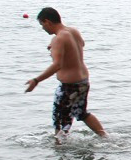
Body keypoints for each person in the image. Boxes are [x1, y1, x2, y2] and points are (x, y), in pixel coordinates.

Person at [25, 7, 107, 141]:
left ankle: (59, 148)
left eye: (42, 25)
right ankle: (105, 137)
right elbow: (80, 44)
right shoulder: (72, 31)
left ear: (47, 22)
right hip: (83, 82)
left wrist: (36, 80)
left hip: (69, 86)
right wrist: (56, 48)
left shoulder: (59, 39)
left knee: (59, 119)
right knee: (82, 113)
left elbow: (57, 65)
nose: (43, 28)